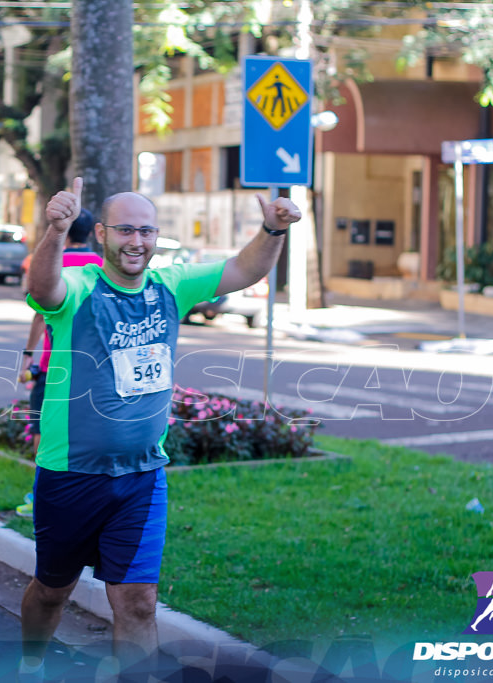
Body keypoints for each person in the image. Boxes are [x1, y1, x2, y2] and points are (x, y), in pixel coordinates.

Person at [19, 178, 300, 678]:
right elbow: (42, 289)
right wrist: (57, 231)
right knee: (51, 591)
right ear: (102, 234)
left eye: (146, 231)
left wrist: (272, 230)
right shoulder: (81, 289)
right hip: (70, 475)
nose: (136, 242)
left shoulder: (171, 284)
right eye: (125, 230)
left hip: (143, 478)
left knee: (140, 603)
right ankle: (29, 663)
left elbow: (244, 268)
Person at [18, 208, 101, 457]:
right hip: (92, 366)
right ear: (91, 233)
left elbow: (40, 316)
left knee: (41, 427)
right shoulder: (102, 267)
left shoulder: (53, 265)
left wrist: (28, 354)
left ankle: (39, 485)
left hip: (53, 365)